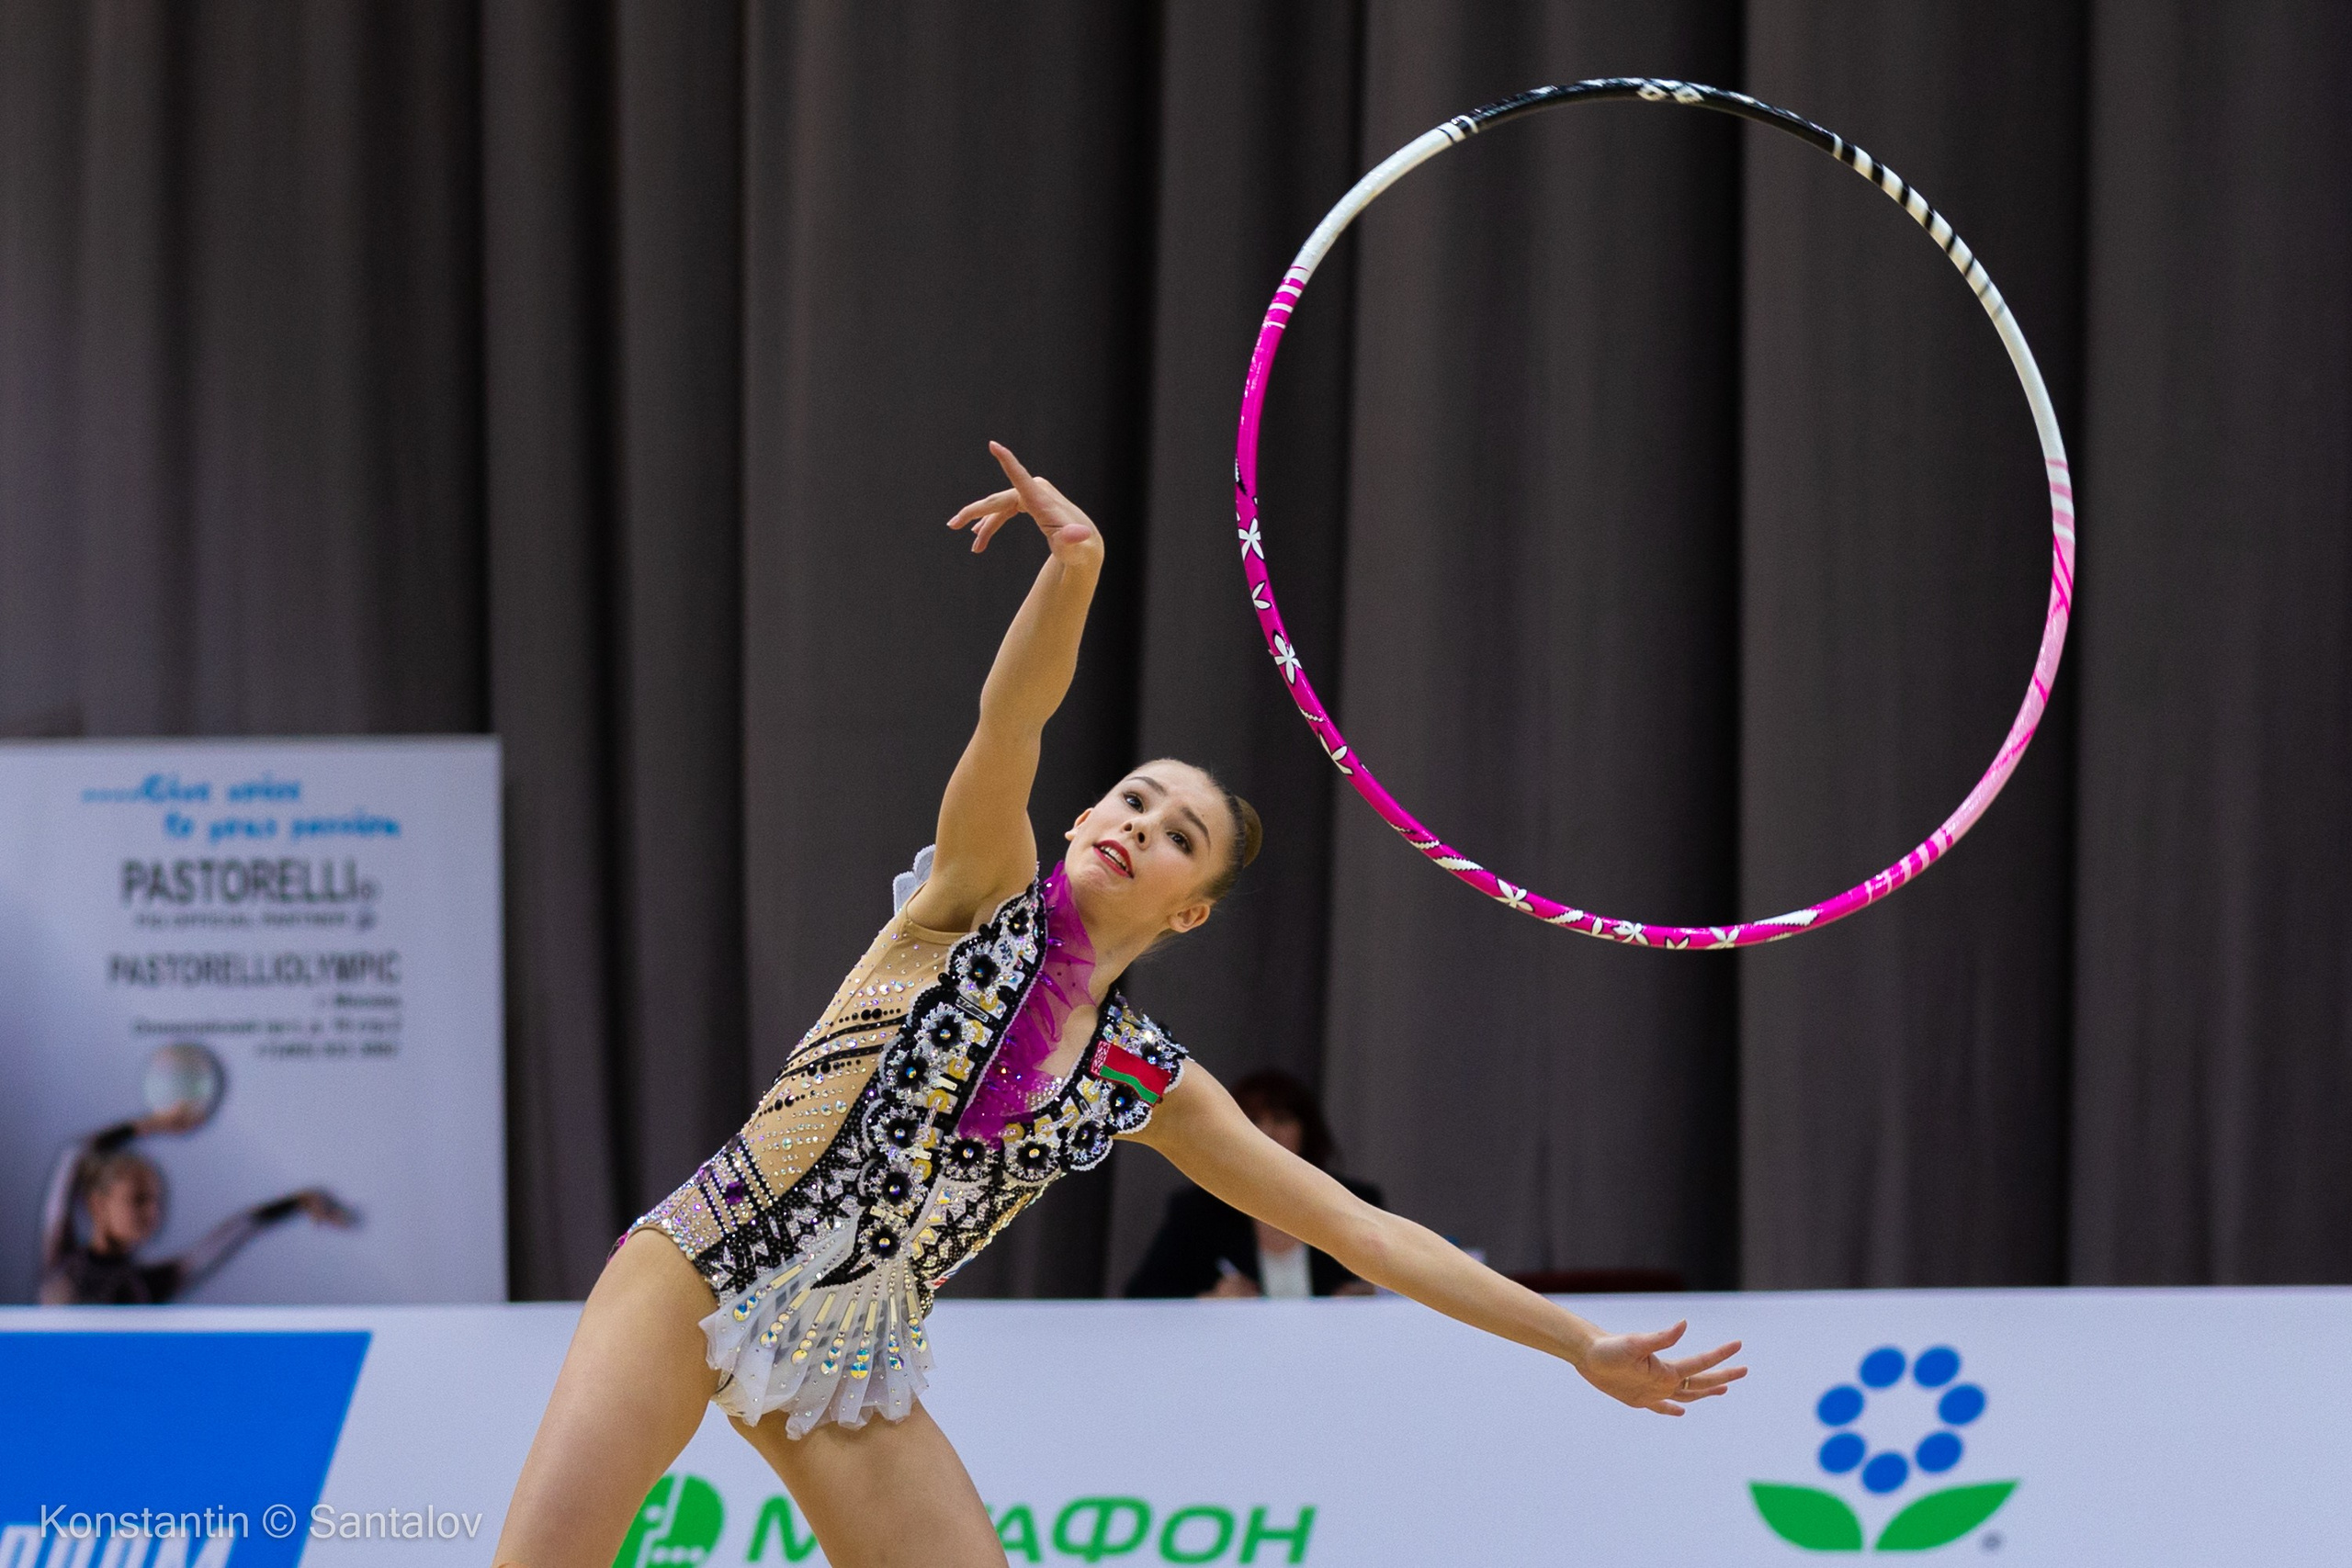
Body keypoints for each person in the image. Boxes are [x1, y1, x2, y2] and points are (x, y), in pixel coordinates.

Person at [493, 444, 1745, 1568]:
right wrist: (1074, 569)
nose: (1142, 825)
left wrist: (1576, 1343)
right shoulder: (974, 899)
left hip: (846, 1356)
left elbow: (1363, 1233)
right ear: (1085, 816)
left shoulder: (1144, 1077)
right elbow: (1012, 719)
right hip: (700, 1261)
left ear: (1190, 909)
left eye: (1179, 833)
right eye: (1134, 801)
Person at [37, 1103, 356, 1305]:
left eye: (157, 1202)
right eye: (138, 1200)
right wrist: (151, 1125)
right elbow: (74, 1154)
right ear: (98, 1205)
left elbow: (228, 1236)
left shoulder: (145, 1285)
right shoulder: (61, 1257)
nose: (153, 1212)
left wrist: (298, 1202)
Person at [1125, 1067, 1382, 1298]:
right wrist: (1210, 1300)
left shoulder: (1353, 1199)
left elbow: (1395, 1284)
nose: (1268, 1133)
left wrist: (1374, 1296)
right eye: (1254, 1120)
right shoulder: (1199, 1210)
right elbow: (1144, 1295)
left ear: (1306, 1130)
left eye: (1281, 1119)